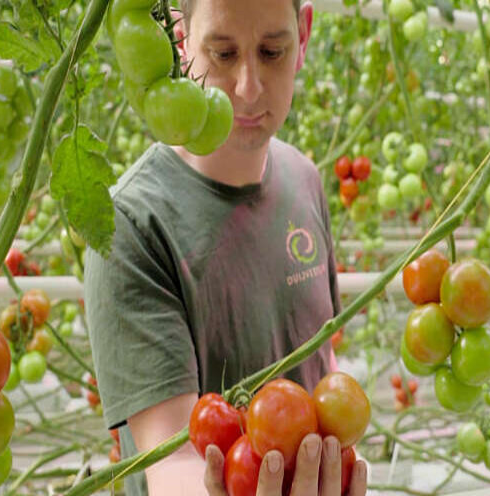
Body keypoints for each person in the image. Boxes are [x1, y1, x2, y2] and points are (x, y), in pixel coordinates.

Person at [83, 0, 368, 494]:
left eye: (272, 52)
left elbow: (322, 366)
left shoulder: (304, 179)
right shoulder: (131, 226)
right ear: (178, 38)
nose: (249, 87)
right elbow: (171, 464)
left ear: (303, 35)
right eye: (223, 53)